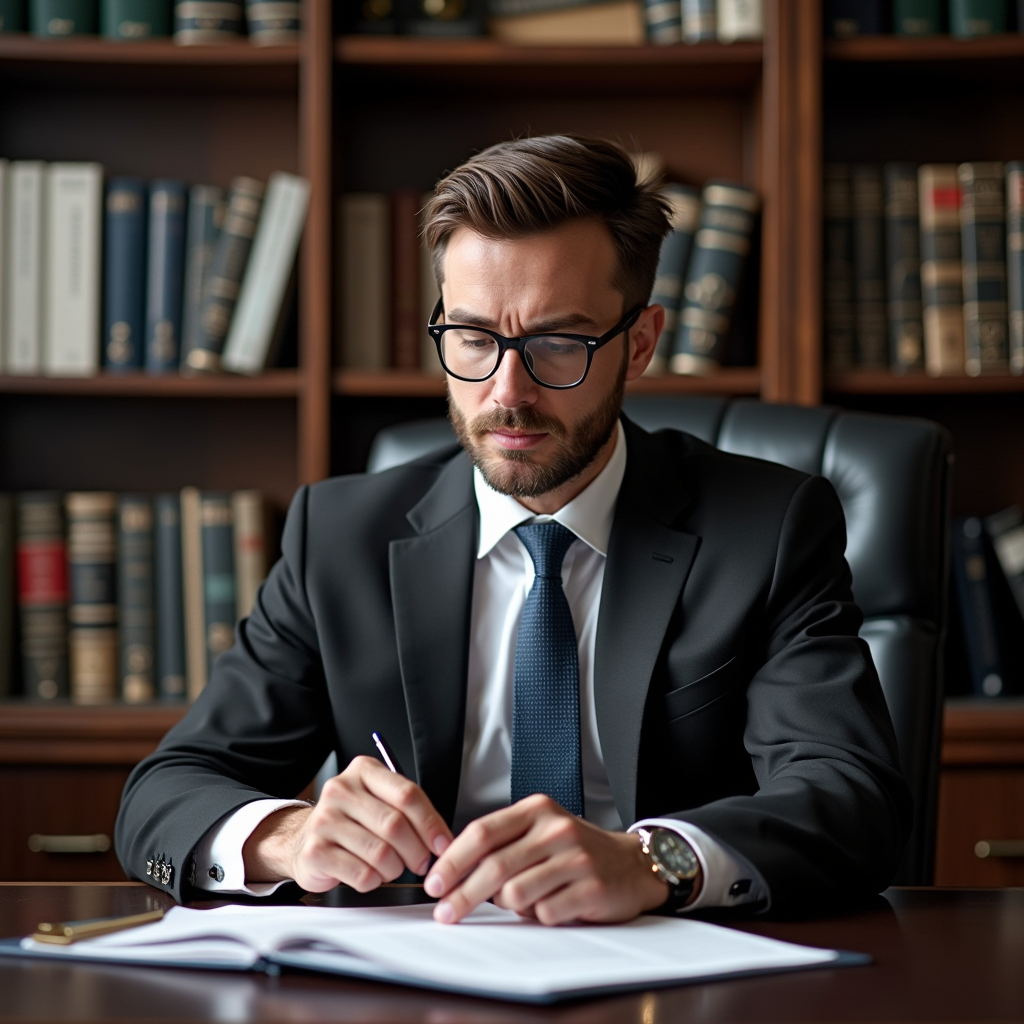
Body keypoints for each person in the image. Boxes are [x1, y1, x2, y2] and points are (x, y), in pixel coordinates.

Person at [116, 135, 911, 924]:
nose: (507, 392)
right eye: (472, 338)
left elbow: (852, 799)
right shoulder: (339, 536)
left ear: (639, 344)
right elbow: (168, 789)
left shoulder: (768, 529)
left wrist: (651, 859)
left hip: (670, 972)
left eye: (558, 343)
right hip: (418, 972)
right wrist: (288, 836)